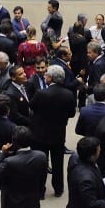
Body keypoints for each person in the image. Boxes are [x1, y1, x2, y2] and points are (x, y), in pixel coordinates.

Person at [30, 65, 76, 198]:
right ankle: (58, 188)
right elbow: (72, 113)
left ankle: (40, 191)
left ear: (50, 78)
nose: (44, 76)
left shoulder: (41, 93)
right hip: (58, 134)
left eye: (46, 75)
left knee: (41, 163)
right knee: (58, 163)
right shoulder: (68, 94)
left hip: (40, 134)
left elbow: (32, 106)